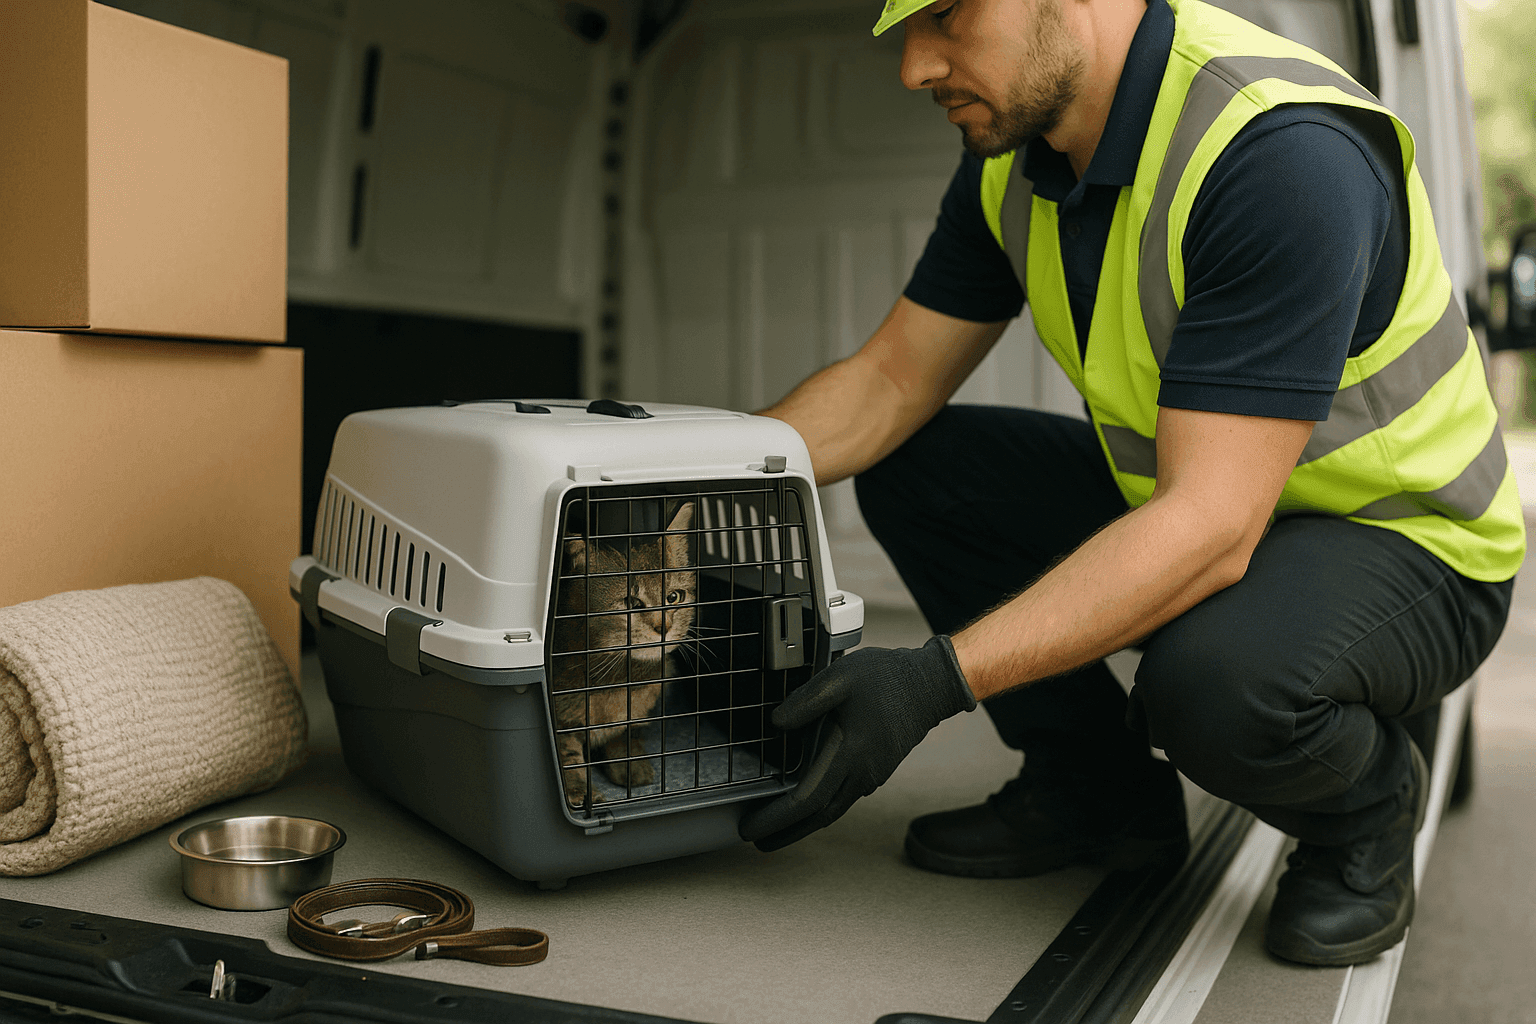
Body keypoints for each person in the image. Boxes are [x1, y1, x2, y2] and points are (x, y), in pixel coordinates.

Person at [736, 0, 1524, 967]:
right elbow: (891, 382)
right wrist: (682, 481)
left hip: (1410, 544)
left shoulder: (1279, 152)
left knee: (1211, 683)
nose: (913, 67)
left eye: (944, 14)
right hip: (1217, 504)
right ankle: (1097, 798)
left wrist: (929, 684)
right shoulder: (1013, 160)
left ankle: (1366, 812)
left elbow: (1210, 527)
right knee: (920, 467)